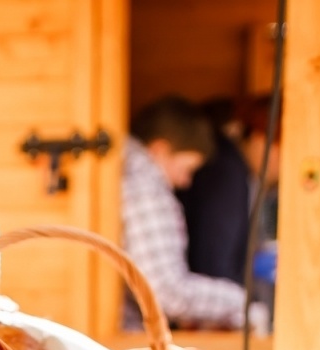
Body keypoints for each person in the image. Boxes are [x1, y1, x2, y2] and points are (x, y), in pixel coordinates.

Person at [120, 96, 247, 330]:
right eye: (186, 168)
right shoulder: (147, 192)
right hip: (128, 339)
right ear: (159, 150)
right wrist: (239, 302)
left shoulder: (122, 175)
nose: (185, 182)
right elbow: (167, 292)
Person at [180, 98, 281, 287]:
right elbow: (215, 266)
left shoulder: (238, 170)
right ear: (261, 141)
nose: (284, 167)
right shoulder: (227, 174)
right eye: (282, 151)